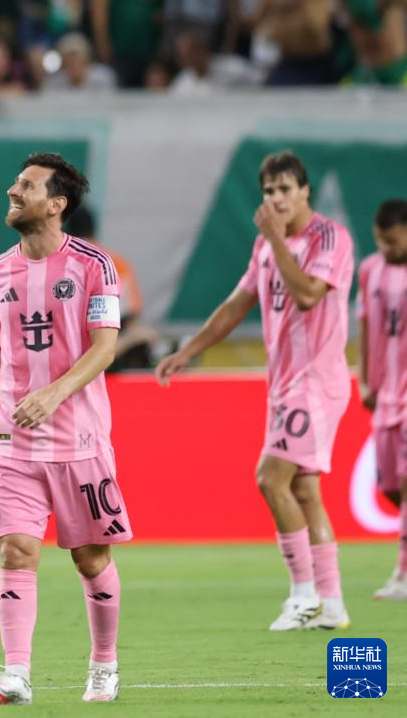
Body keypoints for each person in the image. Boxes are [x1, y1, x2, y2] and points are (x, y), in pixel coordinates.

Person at [156, 151, 354, 631]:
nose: (276, 199)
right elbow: (234, 306)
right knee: (303, 489)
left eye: (285, 189)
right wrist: (189, 350)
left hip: (315, 382)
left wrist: (277, 239)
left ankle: (303, 595)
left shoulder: (329, 238)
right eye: (269, 191)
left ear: (305, 191)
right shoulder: (266, 247)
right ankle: (332, 605)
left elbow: (308, 294)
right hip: (284, 385)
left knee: (270, 478)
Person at [0, 153, 131, 705]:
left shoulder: (94, 265)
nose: (13, 191)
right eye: (15, 183)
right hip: (14, 441)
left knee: (91, 559)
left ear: (56, 204)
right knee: (17, 550)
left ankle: (104, 664)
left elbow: (105, 349)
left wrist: (53, 394)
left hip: (78, 440)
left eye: (27, 186)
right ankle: (16, 674)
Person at [357, 199, 407, 600]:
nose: (385, 248)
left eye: (392, 241)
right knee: (390, 486)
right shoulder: (370, 269)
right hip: (385, 393)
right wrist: (365, 380)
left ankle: (403, 574)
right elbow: (365, 325)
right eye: (380, 241)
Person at [63, 206, 158, 370]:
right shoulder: (116, 263)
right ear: (93, 229)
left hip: (69, 351)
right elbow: (132, 316)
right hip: (109, 351)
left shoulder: (56, 264)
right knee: (141, 336)